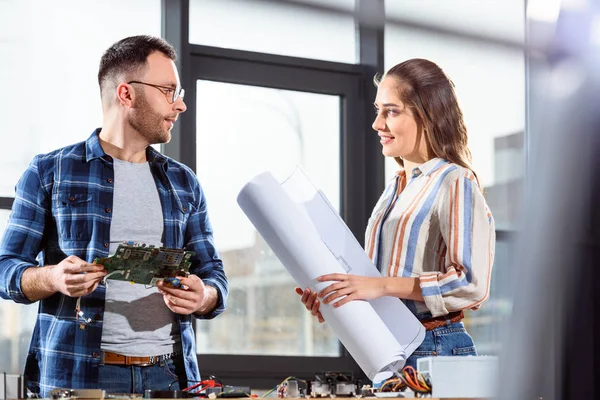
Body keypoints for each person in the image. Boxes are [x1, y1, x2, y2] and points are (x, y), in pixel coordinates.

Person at [0, 35, 228, 397]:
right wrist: (53, 277)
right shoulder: (50, 171)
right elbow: (5, 269)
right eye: (168, 90)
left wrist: (205, 296)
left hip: (169, 377)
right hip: (79, 378)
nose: (180, 104)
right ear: (126, 94)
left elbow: (213, 273)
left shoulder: (184, 183)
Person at [296, 58, 495, 370]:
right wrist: (338, 298)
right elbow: (375, 282)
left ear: (428, 115)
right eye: (378, 110)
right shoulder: (394, 188)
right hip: (388, 348)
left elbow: (471, 283)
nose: (377, 123)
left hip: (435, 349)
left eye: (391, 111)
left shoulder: (455, 181)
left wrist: (382, 285)